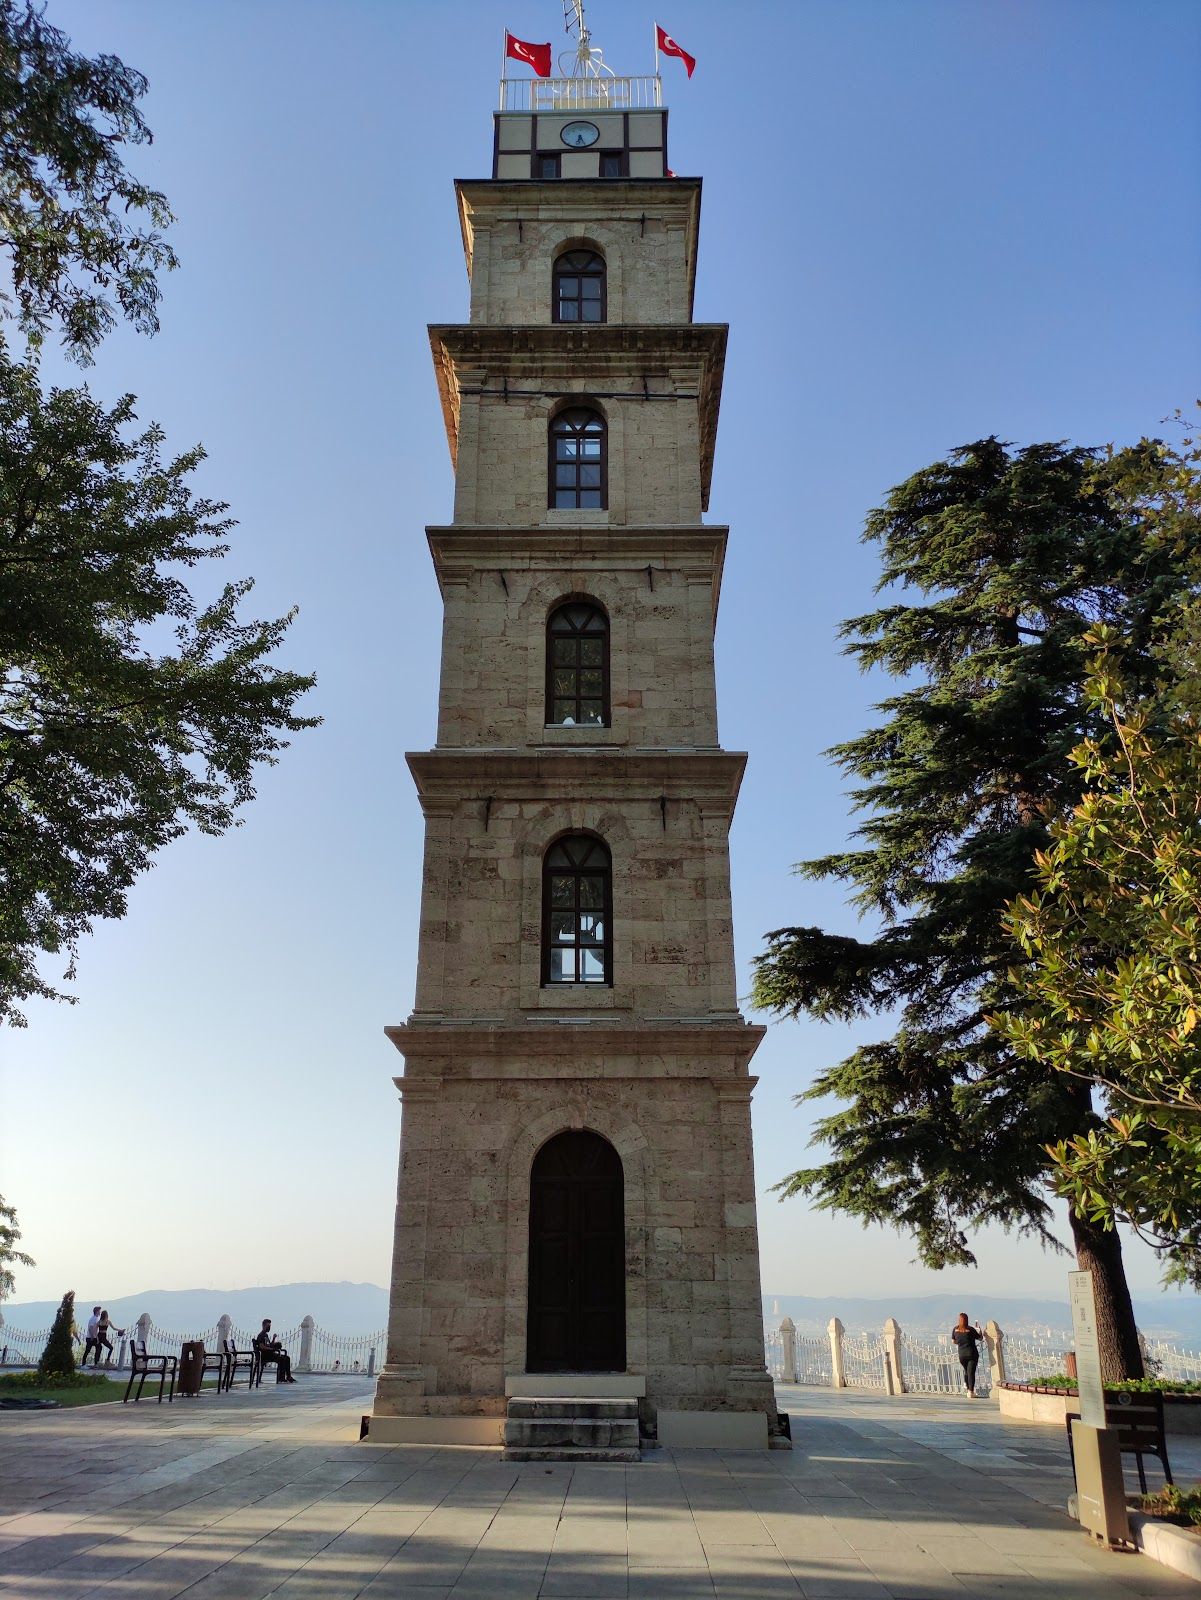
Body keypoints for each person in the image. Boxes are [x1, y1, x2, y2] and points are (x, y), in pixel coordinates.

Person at [951, 1312, 985, 1397]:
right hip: (971, 1354)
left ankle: (968, 1390)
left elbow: (953, 1341)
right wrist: (980, 1330)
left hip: (962, 1355)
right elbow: (980, 1338)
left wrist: (961, 1342)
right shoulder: (970, 1330)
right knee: (971, 1373)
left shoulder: (955, 1329)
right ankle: (971, 1392)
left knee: (966, 1372)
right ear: (967, 1320)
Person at [252, 1319, 295, 1383]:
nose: (269, 1327)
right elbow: (262, 1347)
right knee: (282, 1359)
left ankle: (288, 1376)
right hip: (264, 1355)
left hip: (269, 1354)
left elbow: (269, 1345)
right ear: (263, 1325)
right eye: (268, 1326)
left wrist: (273, 1339)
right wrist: (272, 1349)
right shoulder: (261, 1335)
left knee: (286, 1358)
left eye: (270, 1326)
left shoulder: (266, 1335)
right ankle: (281, 1378)